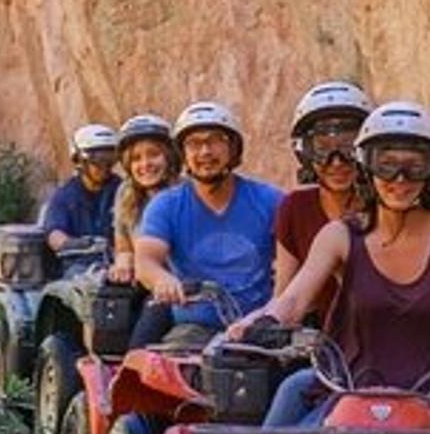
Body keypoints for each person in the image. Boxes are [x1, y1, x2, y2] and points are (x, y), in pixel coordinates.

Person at [231, 101, 430, 432]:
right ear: (366, 168)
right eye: (386, 165)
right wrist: (265, 322)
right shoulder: (339, 237)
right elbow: (294, 298)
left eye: (415, 166)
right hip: (348, 398)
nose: (400, 179)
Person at [131, 101, 285, 348]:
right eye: (194, 144)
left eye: (215, 140)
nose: (204, 152)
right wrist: (162, 280)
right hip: (195, 330)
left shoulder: (270, 200)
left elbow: (298, 260)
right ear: (183, 154)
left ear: (233, 148)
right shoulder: (166, 205)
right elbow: (146, 261)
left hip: (260, 326)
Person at [272, 80, 374, 317]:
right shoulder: (295, 208)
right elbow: (284, 294)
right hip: (322, 341)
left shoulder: (387, 208)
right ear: (304, 153)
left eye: (348, 147)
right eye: (323, 149)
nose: (336, 162)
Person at [109, 113, 178, 286]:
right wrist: (124, 260)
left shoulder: (186, 193)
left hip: (180, 284)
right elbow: (123, 246)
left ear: (169, 157)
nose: (145, 164)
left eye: (153, 154)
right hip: (144, 283)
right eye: (136, 158)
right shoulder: (125, 193)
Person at [40, 123, 121, 260]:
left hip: (118, 263)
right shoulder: (65, 196)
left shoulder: (123, 190)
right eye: (97, 160)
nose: (105, 166)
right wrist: (74, 244)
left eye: (110, 159)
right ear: (79, 161)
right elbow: (54, 233)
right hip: (78, 265)